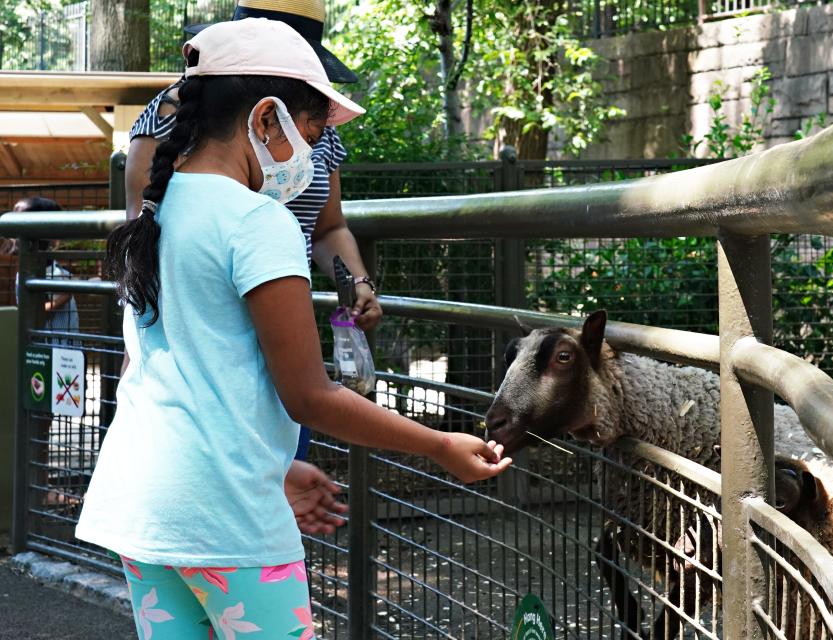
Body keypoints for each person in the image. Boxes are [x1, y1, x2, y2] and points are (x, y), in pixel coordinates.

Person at [75, 19, 511, 640]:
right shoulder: (259, 222)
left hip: (145, 505)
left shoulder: (159, 209)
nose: (310, 152)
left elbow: (177, 372)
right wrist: (440, 446)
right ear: (266, 118)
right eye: (309, 131)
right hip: (226, 516)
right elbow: (310, 396)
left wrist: (274, 466)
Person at [124, 0, 374, 533]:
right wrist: (442, 445)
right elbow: (147, 245)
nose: (311, 143)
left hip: (274, 352)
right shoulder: (184, 132)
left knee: (258, 514)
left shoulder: (311, 123)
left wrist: (356, 280)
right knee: (252, 537)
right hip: (208, 351)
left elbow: (329, 227)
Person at [13, 197, 81, 339]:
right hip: (50, 349)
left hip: (67, 348)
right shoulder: (32, 270)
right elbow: (35, 314)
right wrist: (67, 294)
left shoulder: (49, 264)